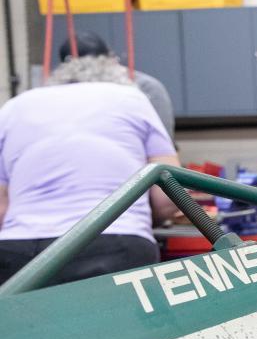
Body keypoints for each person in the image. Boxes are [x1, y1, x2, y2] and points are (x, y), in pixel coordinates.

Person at [0, 48, 179, 286]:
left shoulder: (15, 106)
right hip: (115, 242)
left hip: (19, 249)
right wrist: (139, 216)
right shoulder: (131, 98)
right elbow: (167, 196)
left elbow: (2, 207)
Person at [57, 31, 176, 140]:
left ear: (110, 60)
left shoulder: (146, 88)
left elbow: (164, 142)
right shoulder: (62, 93)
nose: (89, 76)